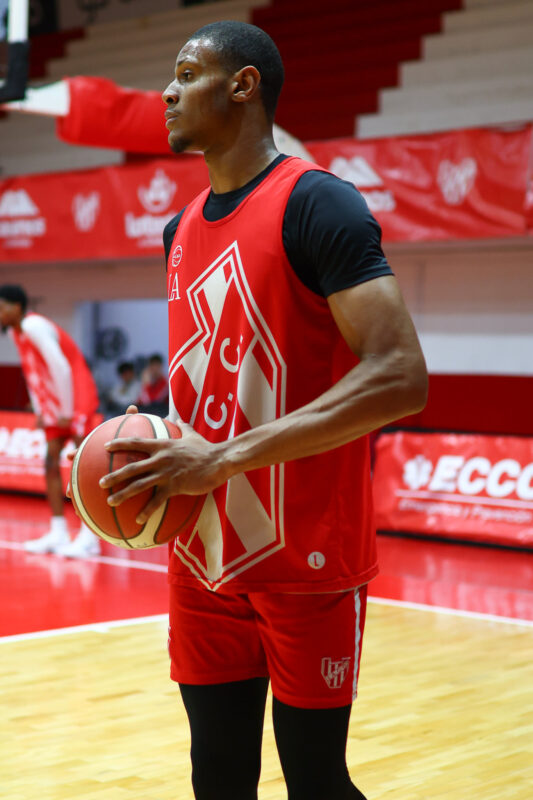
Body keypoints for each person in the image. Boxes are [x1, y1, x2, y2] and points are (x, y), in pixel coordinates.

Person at [97, 21, 428, 800]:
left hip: (306, 557)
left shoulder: (319, 204)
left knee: (315, 781)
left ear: (243, 85)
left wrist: (219, 459)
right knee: (215, 775)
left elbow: (399, 376)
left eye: (187, 73)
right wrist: (148, 441)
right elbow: (220, 375)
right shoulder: (178, 229)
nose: (168, 92)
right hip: (200, 553)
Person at [0, 285, 101, 558]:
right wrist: (41, 411)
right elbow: (32, 371)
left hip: (75, 393)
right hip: (58, 401)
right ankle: (58, 531)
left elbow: (62, 366)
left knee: (83, 465)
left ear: (16, 307)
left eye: (2, 307)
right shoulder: (15, 332)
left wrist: (67, 410)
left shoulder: (33, 325)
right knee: (50, 463)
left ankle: (90, 536)